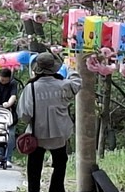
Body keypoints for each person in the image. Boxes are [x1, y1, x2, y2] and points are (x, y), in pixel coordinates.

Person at [16, 52, 83, 192]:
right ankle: (56, 188)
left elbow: (24, 114)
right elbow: (77, 83)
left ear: (37, 69)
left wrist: (31, 121)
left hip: (37, 133)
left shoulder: (31, 88)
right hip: (60, 132)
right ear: (54, 68)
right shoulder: (63, 85)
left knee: (34, 167)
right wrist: (70, 68)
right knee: (60, 163)